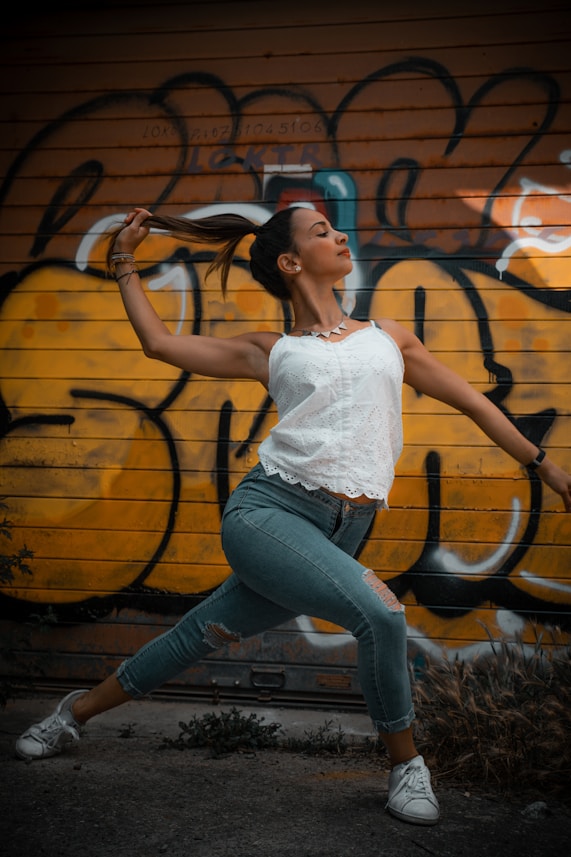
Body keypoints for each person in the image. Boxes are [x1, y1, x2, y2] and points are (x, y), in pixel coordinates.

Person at [15, 206, 571, 826]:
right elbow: (160, 344)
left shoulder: (391, 339)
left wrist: (542, 463)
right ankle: (407, 767)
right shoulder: (271, 350)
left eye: (336, 227)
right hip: (267, 514)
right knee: (383, 616)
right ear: (291, 262)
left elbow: (474, 402)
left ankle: (71, 715)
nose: (340, 235)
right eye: (322, 232)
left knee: (194, 635)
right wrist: (123, 263)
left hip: (343, 529)